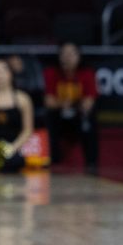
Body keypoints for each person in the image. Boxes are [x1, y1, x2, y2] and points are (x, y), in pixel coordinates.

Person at [44, 42, 99, 171]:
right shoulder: (51, 72)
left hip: (78, 115)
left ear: (79, 56)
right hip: (58, 115)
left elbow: (89, 102)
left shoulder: (87, 73)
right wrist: (63, 104)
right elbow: (49, 102)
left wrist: (75, 105)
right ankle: (52, 161)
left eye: (71, 54)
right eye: (64, 54)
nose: (67, 58)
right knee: (49, 119)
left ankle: (91, 164)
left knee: (90, 120)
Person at [0, 59, 35, 172]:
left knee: (15, 161)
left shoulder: (23, 99)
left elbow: (27, 130)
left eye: (3, 71)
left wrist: (11, 149)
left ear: (11, 74)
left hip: (12, 148)